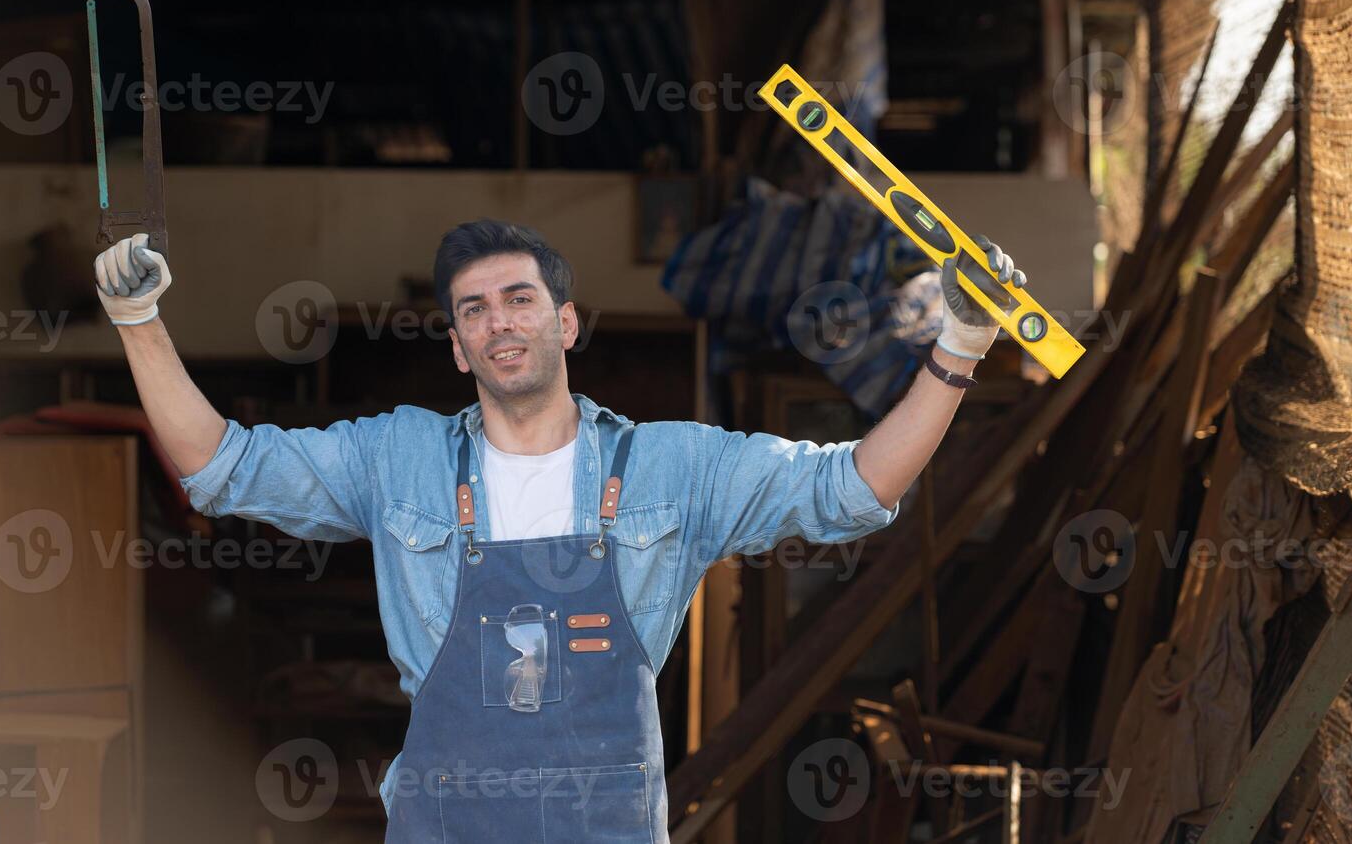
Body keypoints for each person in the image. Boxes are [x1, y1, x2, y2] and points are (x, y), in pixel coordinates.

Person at [92, 217, 1025, 843]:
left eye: (520, 299)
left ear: (567, 322)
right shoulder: (397, 461)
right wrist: (138, 322)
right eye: (474, 310)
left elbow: (851, 488)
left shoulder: (676, 468)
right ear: (457, 347)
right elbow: (221, 466)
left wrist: (959, 350)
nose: (499, 322)